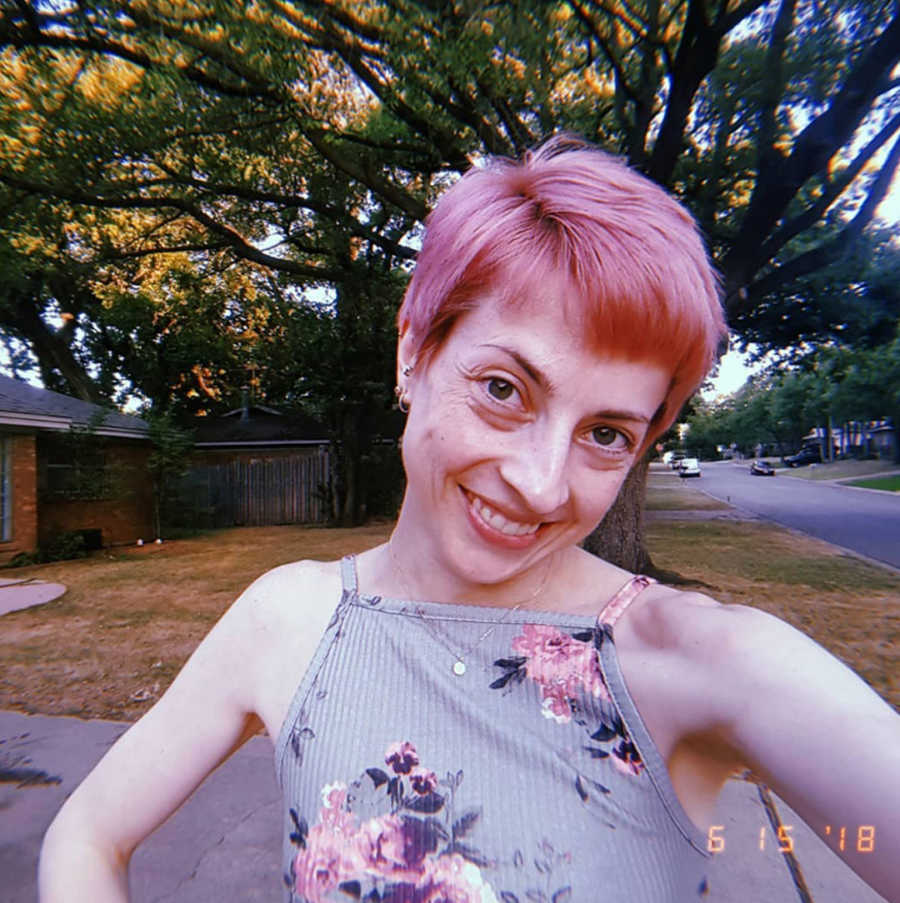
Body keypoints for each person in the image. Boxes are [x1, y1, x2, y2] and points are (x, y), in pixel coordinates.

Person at [39, 136, 899, 903]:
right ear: (414, 350)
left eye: (605, 433)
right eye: (503, 389)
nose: (538, 482)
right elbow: (86, 835)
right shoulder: (288, 620)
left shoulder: (701, 661)